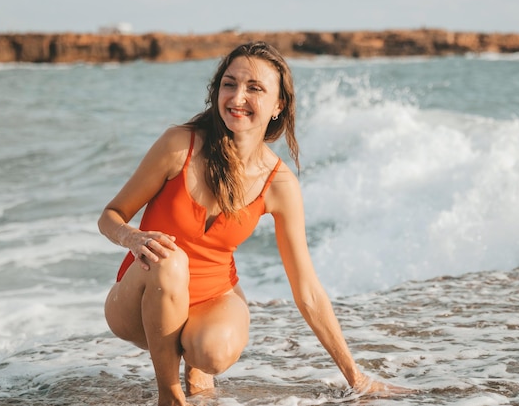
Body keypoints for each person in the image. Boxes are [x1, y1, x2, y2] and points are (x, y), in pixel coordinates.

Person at [99, 41, 404, 406]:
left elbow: (306, 289)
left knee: (212, 351)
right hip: (140, 297)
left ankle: (197, 368)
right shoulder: (179, 146)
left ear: (279, 105)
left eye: (254, 88)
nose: (237, 96)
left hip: (213, 298)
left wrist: (355, 377)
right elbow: (111, 215)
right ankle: (170, 395)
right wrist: (131, 237)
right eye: (229, 84)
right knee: (170, 259)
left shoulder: (279, 183)